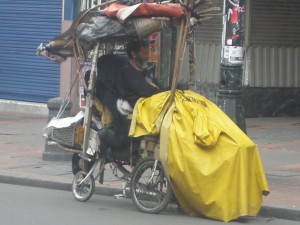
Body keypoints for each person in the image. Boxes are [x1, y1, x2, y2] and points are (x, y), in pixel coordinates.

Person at [117, 39, 161, 108]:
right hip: (139, 108)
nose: (148, 56)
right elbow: (148, 91)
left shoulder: (145, 71)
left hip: (151, 104)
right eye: (145, 53)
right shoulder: (126, 72)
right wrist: (154, 87)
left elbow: (159, 88)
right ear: (134, 54)